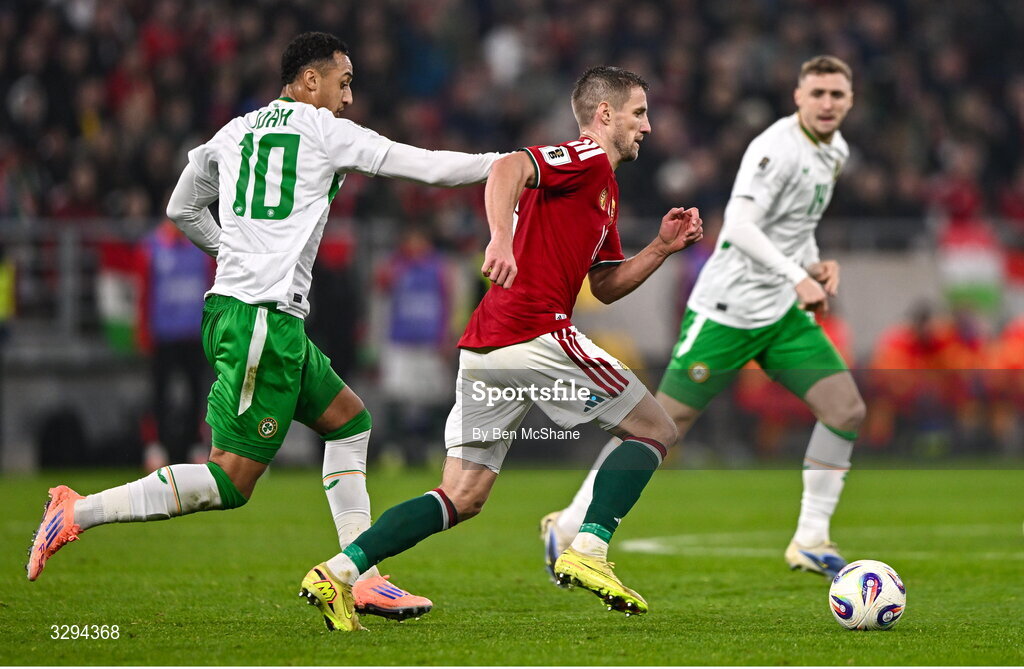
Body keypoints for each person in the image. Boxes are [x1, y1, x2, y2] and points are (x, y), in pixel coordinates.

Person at [26, 32, 504, 625]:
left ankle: (362, 576)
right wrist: (510, 166)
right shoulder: (323, 131)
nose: (349, 98)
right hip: (260, 321)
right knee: (231, 480)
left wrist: (233, 252)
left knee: (351, 421)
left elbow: (180, 208)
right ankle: (77, 510)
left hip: (256, 314)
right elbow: (427, 166)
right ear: (310, 81)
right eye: (344, 81)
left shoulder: (232, 131)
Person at [296, 66, 704, 632]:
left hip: (489, 343)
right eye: (639, 113)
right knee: (654, 429)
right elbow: (510, 166)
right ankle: (588, 547)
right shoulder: (582, 157)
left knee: (461, 495)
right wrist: (501, 237)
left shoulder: (604, 189)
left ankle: (338, 572)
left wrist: (660, 248)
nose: (648, 126)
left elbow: (606, 285)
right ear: (605, 115)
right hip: (536, 331)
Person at [541, 55, 864, 581]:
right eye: (818, 93)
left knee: (845, 409)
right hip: (726, 313)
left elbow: (795, 224)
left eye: (837, 95)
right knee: (661, 427)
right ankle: (569, 522)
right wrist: (794, 275)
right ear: (798, 98)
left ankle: (810, 537)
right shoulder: (775, 149)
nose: (827, 104)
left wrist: (810, 263)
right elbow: (738, 226)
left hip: (780, 313)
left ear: (849, 101)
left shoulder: (836, 151)